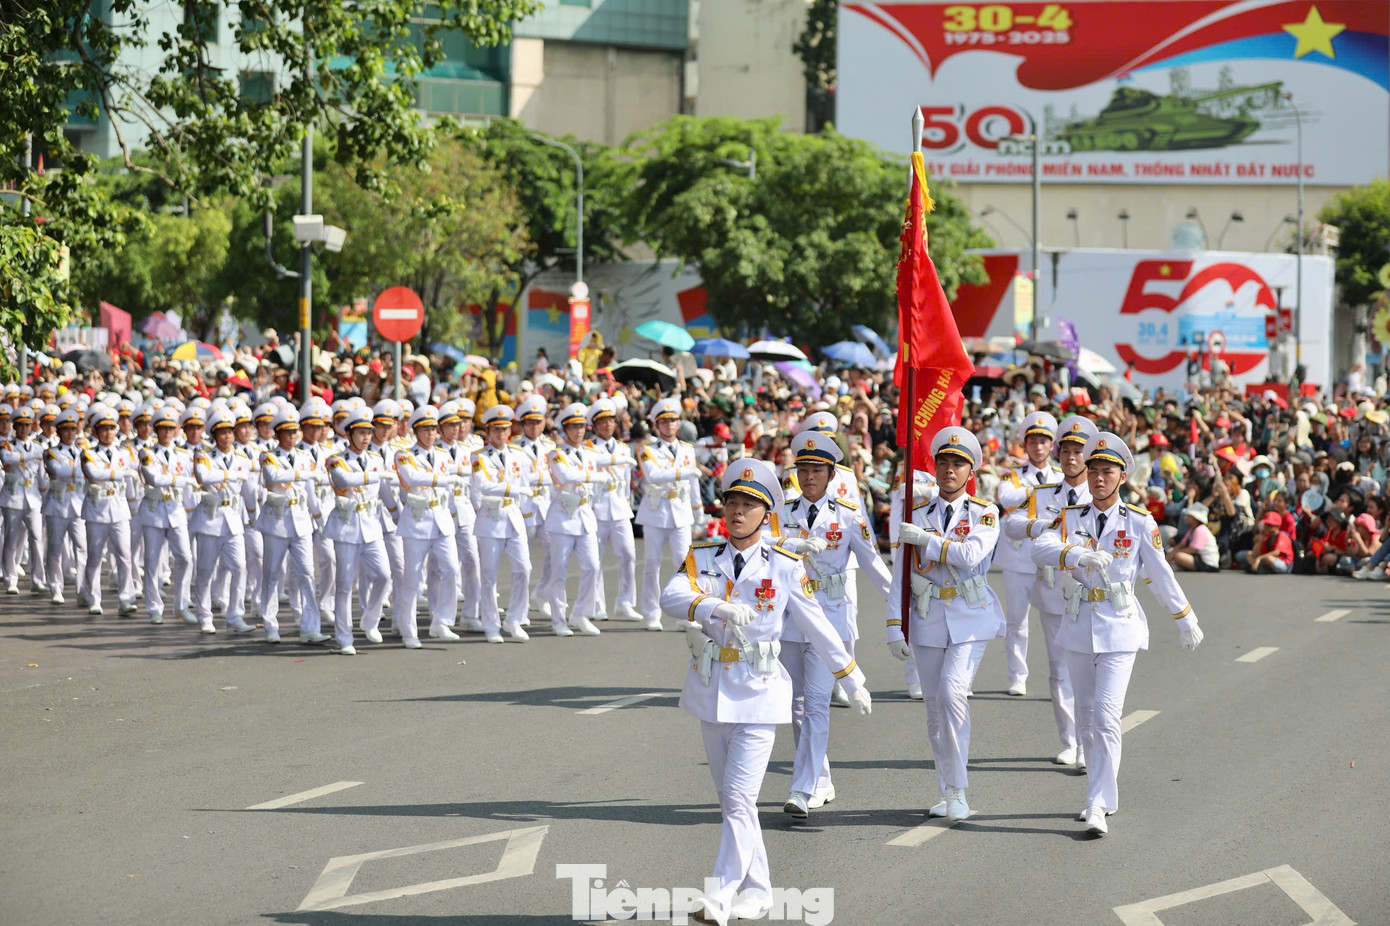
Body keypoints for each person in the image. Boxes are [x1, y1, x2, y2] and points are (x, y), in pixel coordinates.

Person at [659, 459, 871, 926]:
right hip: (712, 690)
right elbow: (670, 596)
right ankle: (758, 890)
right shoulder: (702, 557)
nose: (737, 511)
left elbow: (818, 626)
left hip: (759, 691)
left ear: (767, 514)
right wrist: (712, 604)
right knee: (731, 801)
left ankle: (718, 896)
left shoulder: (786, 565)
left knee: (738, 798)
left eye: (749, 504)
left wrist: (850, 675)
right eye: (732, 502)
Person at [1031, 432, 1204, 836]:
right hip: (1077, 625)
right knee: (1087, 718)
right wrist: (1075, 554)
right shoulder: (1069, 517)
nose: (1098, 479)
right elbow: (1038, 548)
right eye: (1093, 471)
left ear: (1122, 476)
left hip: (1119, 625)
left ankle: (1097, 802)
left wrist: (1185, 618)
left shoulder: (1140, 523)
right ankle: (1100, 794)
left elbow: (1161, 574)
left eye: (1107, 472)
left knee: (1106, 715)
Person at [773, 429, 891, 817]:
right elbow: (763, 554)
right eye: (803, 470)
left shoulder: (849, 516)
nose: (809, 478)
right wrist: (791, 546)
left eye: (817, 471)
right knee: (797, 705)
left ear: (831, 474)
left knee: (818, 704)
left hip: (831, 616)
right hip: (792, 619)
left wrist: (900, 609)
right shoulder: (781, 514)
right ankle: (820, 779)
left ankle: (802, 789)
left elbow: (875, 565)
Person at [892, 427, 1005, 822]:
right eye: (943, 462)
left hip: (970, 617)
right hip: (927, 619)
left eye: (958, 463)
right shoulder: (916, 514)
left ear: (971, 470)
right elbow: (900, 574)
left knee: (952, 694)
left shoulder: (984, 512)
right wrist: (894, 624)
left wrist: (927, 540)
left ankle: (958, 789)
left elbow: (970, 555)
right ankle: (945, 788)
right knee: (934, 712)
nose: (949, 470)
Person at [1003, 413, 1097, 767]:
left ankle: (1090, 742)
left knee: (1090, 672)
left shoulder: (1100, 491)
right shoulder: (1044, 494)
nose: (1071, 457)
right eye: (1066, 450)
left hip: (1091, 595)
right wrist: (1039, 525)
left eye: (1078, 451)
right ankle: (1070, 740)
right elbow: (1012, 525)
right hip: (1055, 594)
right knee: (1060, 670)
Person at [992, 411, 1063, 696]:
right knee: (1017, 620)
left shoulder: (1060, 474)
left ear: (1051, 445)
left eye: (1043, 441)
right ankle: (1017, 676)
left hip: (1050, 554)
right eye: (1032, 441)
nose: (1038, 447)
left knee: (1055, 617)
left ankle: (1060, 676)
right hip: (1019, 555)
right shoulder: (1015, 474)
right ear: (1026, 444)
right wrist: (1038, 491)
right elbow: (1006, 498)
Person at [257, 407, 329, 645]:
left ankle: (311, 627)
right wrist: (302, 474)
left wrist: (319, 520)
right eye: (286, 433)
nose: (291, 437)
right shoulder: (268, 456)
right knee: (271, 575)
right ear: (277, 435)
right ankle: (270, 625)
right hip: (276, 522)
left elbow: (310, 492)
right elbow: (273, 477)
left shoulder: (305, 457)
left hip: (301, 521)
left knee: (307, 574)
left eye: (294, 432)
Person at [323, 407, 392, 654]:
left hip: (371, 525)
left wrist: (396, 514)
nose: (365, 438)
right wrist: (376, 475)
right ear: (349, 434)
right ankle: (344, 637)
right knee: (344, 584)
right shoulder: (335, 459)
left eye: (368, 433)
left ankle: (370, 620)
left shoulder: (376, 460)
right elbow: (345, 480)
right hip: (347, 526)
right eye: (361, 433)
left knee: (384, 575)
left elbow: (384, 491)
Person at [393, 404, 462, 648]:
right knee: (412, 579)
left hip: (442, 520)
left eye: (434, 429)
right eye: (425, 429)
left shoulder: (443, 455)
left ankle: (441, 621)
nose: (431, 434)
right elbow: (411, 479)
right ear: (416, 431)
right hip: (417, 522)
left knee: (452, 569)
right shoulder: (404, 455)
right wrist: (441, 479)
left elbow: (453, 486)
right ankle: (409, 630)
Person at [636, 398, 702, 632]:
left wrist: (698, 508)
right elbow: (653, 475)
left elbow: (693, 483)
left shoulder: (687, 449)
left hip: (681, 511)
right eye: (664, 421)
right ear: (656, 425)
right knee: (652, 565)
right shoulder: (647, 450)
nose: (670, 425)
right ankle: (652, 613)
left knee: (685, 565)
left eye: (673, 420)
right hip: (656, 511)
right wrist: (684, 471)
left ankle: (685, 612)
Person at [472, 404, 533, 643]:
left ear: (510, 431)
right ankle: (491, 624)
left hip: (514, 517)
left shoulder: (519, 455)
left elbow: (526, 486)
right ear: (488, 431)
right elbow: (482, 485)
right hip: (490, 519)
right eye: (495, 430)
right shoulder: (478, 457)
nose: (500, 434)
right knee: (489, 576)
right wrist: (511, 489)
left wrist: (527, 516)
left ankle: (515, 618)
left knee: (524, 569)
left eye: (504, 429)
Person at [543, 403, 604, 636]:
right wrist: (594, 476)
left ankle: (581, 613)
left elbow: (593, 487)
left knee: (592, 566)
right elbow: (566, 475)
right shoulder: (556, 453)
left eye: (582, 427)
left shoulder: (589, 452)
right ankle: (558, 618)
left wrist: (592, 480)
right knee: (560, 570)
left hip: (584, 514)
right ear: (565, 429)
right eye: (573, 427)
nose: (579, 431)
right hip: (562, 517)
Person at [136, 405, 194, 624]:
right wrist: (180, 480)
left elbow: (189, 487)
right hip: (154, 511)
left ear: (176, 430)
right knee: (152, 561)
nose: (167, 433)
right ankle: (154, 607)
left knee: (186, 558)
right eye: (163, 429)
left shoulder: (184, 454)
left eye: (171, 429)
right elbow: (154, 479)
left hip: (176, 510)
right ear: (156, 430)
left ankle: (181, 604)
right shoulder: (147, 453)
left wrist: (191, 510)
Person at [80, 404, 139, 617]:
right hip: (97, 510)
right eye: (103, 429)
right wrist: (120, 473)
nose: (108, 433)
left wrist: (132, 506)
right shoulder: (87, 453)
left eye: (112, 428)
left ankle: (126, 598)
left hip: (119, 508)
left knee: (124, 555)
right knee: (95, 556)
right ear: (95, 432)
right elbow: (94, 473)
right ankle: (94, 598)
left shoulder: (125, 452)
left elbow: (131, 480)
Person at [585, 398, 642, 622]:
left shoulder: (623, 448)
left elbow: (626, 481)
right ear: (595, 425)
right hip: (597, 508)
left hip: (619, 508)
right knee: (595, 560)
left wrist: (626, 502)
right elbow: (595, 464)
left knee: (629, 554)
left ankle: (625, 602)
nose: (608, 425)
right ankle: (597, 604)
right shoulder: (589, 448)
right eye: (603, 422)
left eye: (611, 420)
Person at [42, 408, 88, 606]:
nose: (70, 434)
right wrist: (84, 470)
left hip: (78, 505)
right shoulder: (50, 453)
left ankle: (82, 589)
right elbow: (57, 470)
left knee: (82, 548)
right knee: (55, 548)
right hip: (57, 505)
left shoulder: (84, 453)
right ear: (58, 432)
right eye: (65, 430)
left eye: (72, 429)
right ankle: (55, 587)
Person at [1, 404, 47, 595]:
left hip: (33, 498)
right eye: (20, 425)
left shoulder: (38, 447)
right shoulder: (7, 446)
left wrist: (45, 493)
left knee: (36, 538)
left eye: (27, 425)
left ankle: (38, 579)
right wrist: (29, 456)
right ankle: (10, 578)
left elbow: (42, 475)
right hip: (12, 498)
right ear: (15, 427)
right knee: (11, 540)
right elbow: (7, 459)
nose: (24, 429)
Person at [1168, 504, 1220, 572]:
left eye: (1189, 516)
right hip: (1198, 558)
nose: (1186, 518)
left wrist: (1175, 553)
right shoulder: (1192, 530)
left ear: (1195, 518)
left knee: (1179, 556)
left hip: (1207, 563)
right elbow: (1182, 544)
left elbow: (1193, 549)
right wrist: (1172, 553)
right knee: (1173, 552)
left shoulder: (1200, 530)